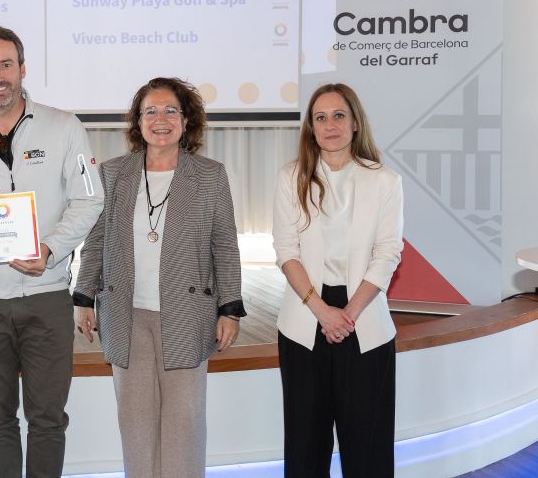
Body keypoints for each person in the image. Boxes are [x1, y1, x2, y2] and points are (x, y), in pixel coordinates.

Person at [0, 25, 104, 477]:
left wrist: (50, 249)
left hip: (47, 295)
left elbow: (91, 199)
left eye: (6, 65)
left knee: (48, 418)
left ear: (23, 69)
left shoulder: (64, 127)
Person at [73, 77, 245, 477]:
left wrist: (230, 309)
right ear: (138, 121)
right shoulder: (113, 174)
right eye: (150, 111)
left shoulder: (210, 175)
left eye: (170, 110)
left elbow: (224, 244)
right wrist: (83, 297)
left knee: (184, 425)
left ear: (186, 121)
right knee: (136, 424)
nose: (160, 119)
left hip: (187, 314)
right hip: (125, 315)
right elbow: (96, 241)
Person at [273, 83, 403, 477]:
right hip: (304, 322)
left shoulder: (385, 181)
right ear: (311, 128)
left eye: (339, 115)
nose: (330, 125)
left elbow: (388, 253)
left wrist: (347, 314)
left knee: (368, 451)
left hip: (364, 321)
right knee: (305, 449)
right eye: (321, 117)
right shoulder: (291, 177)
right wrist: (322, 312)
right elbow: (286, 251)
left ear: (355, 123)